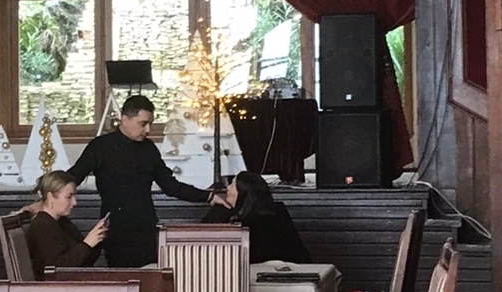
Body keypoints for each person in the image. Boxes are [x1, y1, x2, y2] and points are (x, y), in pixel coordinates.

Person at [69, 94, 221, 266]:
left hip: (147, 229)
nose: (148, 130)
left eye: (150, 124)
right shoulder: (100, 147)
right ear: (124, 120)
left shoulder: (149, 149)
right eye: (143, 124)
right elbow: (73, 177)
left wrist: (208, 196)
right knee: (124, 279)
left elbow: (171, 186)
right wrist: (49, 196)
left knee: (153, 277)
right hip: (116, 231)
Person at [204, 169, 311, 264]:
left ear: (241, 193)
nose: (227, 188)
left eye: (232, 185)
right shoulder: (276, 212)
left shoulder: (256, 221)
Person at [26, 170, 109, 276]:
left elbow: (84, 262)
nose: (74, 202)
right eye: (69, 197)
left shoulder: (63, 222)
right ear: (51, 197)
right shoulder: (42, 226)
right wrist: (87, 244)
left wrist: (97, 240)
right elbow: (59, 269)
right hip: (56, 285)